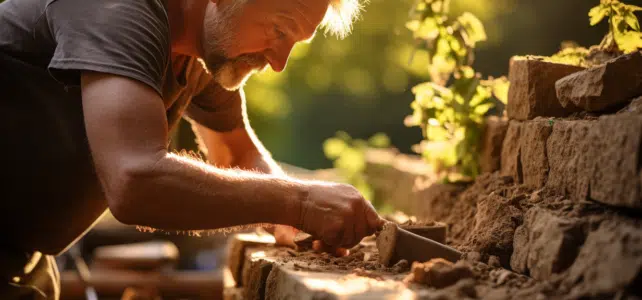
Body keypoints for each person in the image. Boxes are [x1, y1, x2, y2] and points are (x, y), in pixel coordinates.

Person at [0, 0, 385, 298]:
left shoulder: (202, 52)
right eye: (279, 29)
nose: (279, 62)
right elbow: (135, 182)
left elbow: (237, 158)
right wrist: (299, 201)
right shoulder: (119, 10)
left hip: (23, 256)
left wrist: (297, 220)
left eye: (293, 43)